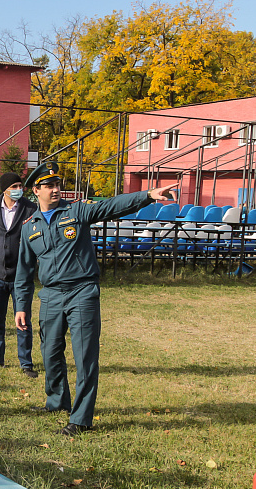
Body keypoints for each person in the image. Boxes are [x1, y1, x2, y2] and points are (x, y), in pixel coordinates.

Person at [13, 162, 178, 436]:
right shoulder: (30, 227)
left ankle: (80, 419)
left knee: (84, 356)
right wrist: (21, 305)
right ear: (36, 190)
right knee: (50, 352)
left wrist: (147, 195)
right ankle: (56, 401)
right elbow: (24, 270)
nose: (56, 190)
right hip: (51, 295)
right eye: (49, 186)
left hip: (82, 292)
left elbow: (112, 206)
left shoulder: (76, 211)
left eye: (57, 184)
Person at [0, 172, 37, 378]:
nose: (18, 189)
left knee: (23, 320)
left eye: (20, 185)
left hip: (21, 277)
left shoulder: (30, 208)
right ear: (5, 189)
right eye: (14, 186)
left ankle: (26, 363)